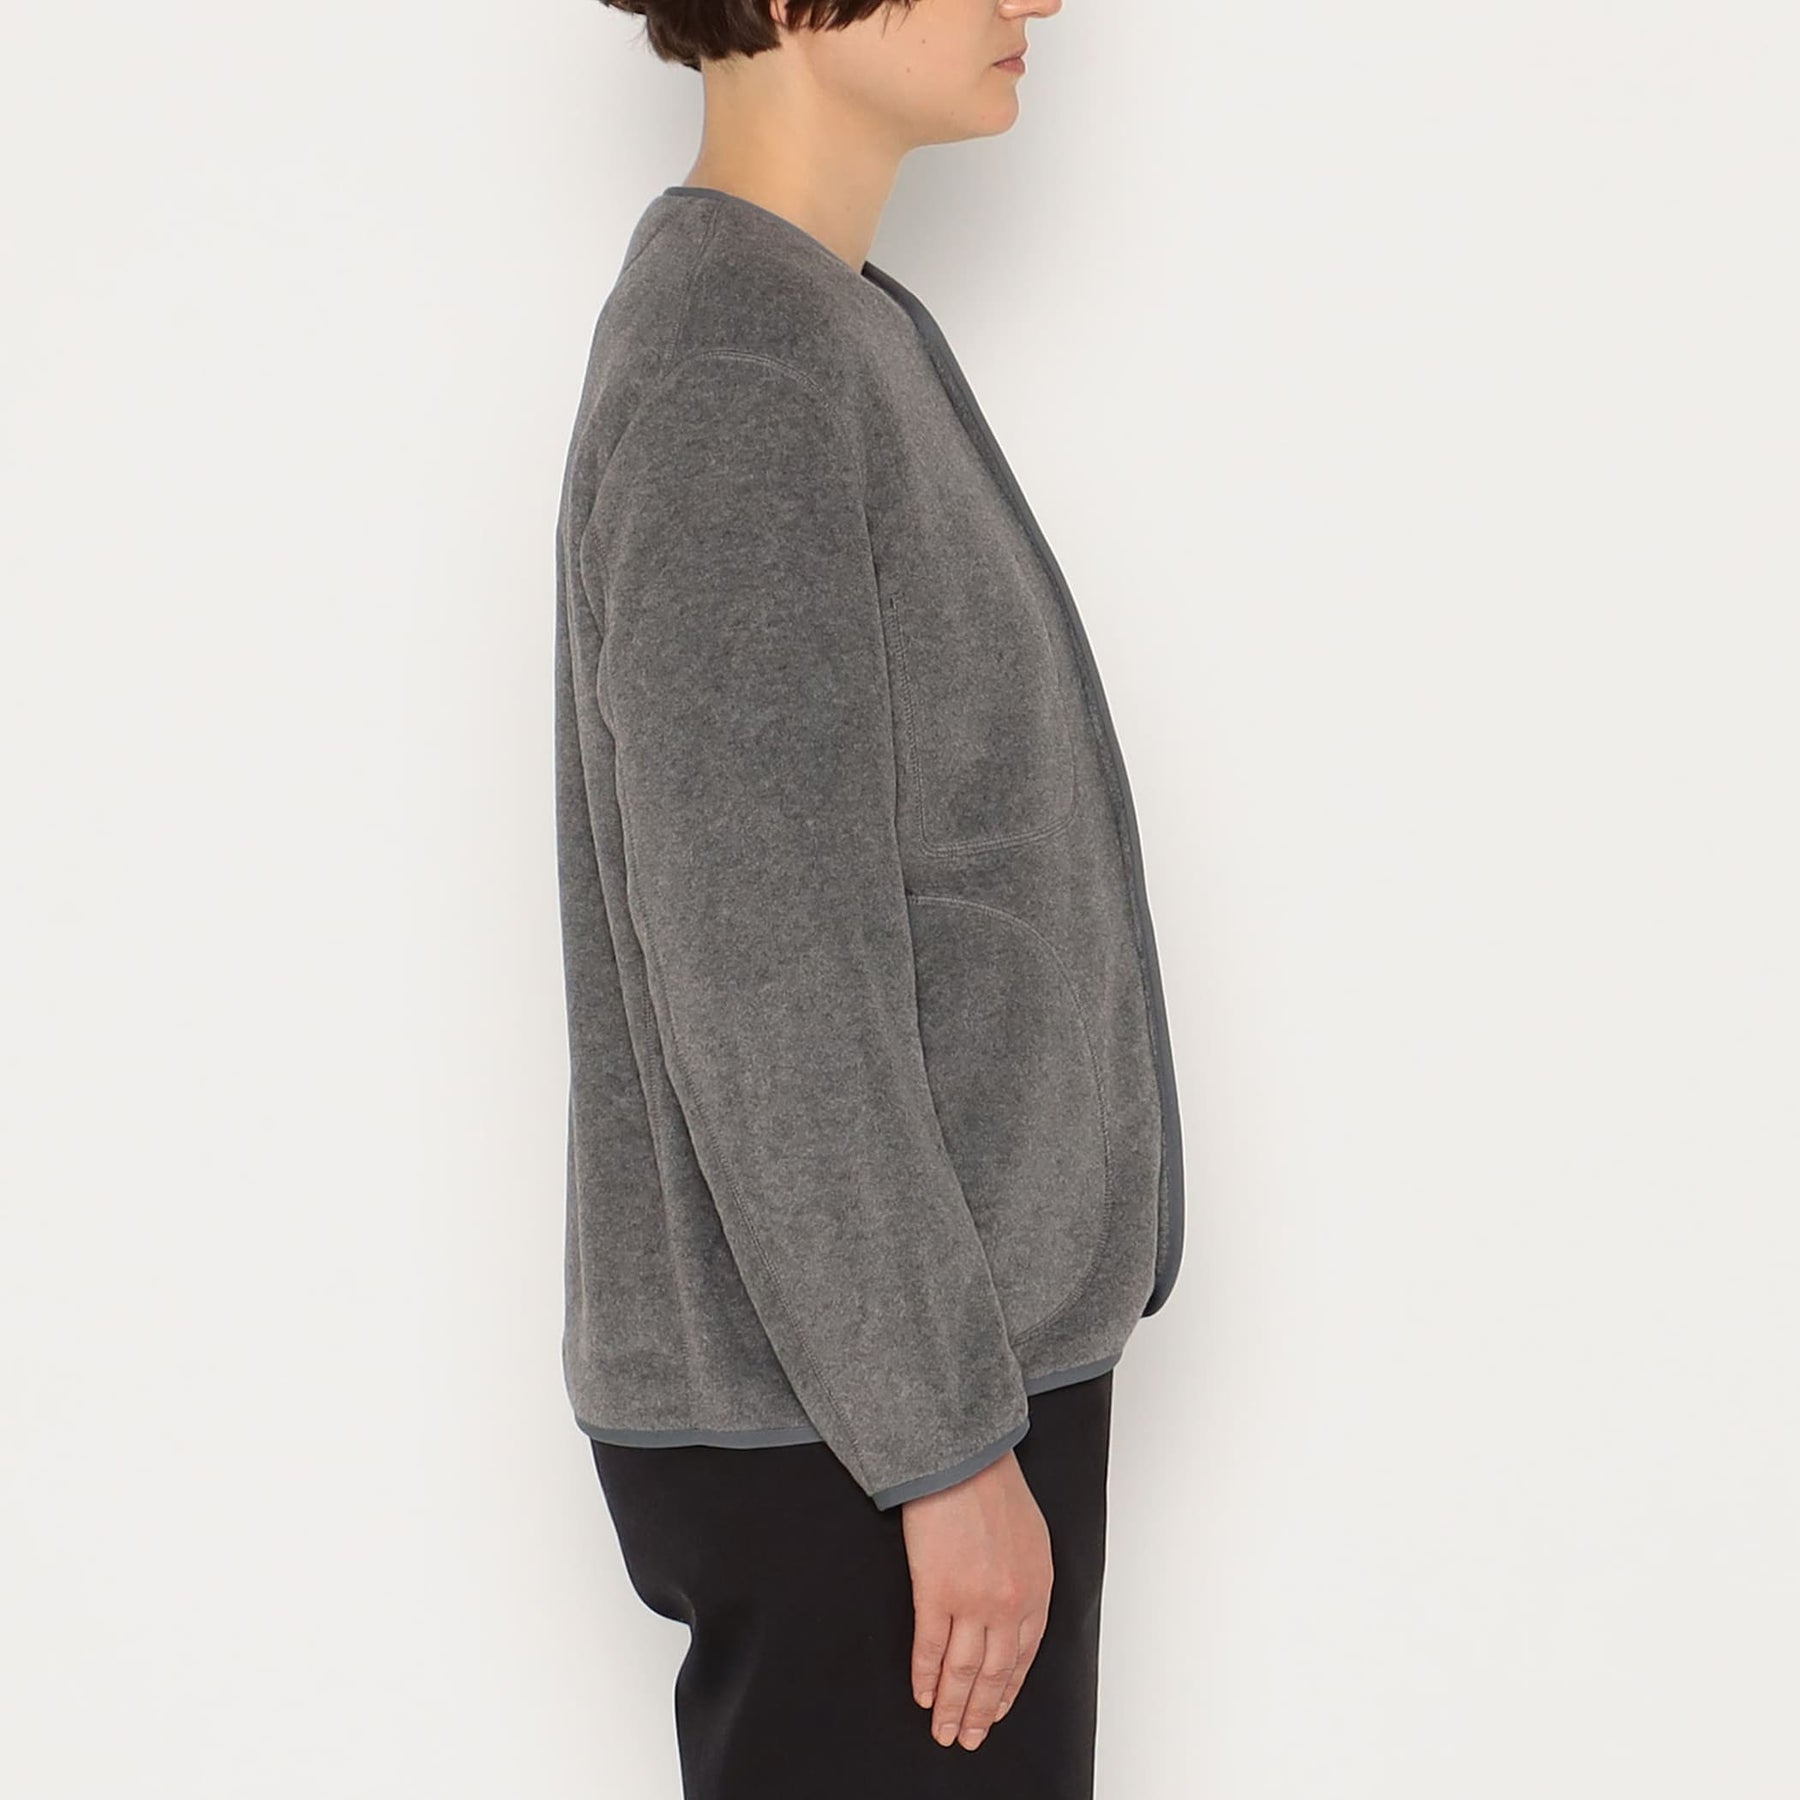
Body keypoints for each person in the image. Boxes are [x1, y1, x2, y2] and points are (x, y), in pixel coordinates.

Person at [551, 0, 1187, 1791]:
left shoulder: (823, 324)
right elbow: (767, 967)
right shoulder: (738, 361)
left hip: (908, 1387)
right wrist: (939, 1447)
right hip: (865, 1426)